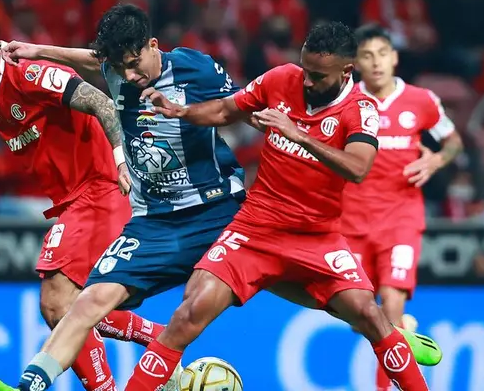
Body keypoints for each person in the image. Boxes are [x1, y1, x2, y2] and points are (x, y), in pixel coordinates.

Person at [122, 21, 433, 391]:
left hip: (317, 238)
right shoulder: (283, 78)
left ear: (346, 72)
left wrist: (297, 133)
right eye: (305, 70)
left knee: (369, 314)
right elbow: (226, 110)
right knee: (188, 313)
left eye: (317, 76)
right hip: (255, 229)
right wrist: (180, 111)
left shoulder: (359, 110)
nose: (307, 82)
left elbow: (358, 167)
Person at [0, 4, 246, 391]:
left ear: (154, 46)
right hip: (155, 220)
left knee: (219, 299)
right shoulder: (117, 71)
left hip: (216, 209)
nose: (130, 76)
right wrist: (40, 50)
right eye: (121, 67)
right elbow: (96, 62)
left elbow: (247, 107)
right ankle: (28, 387)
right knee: (84, 303)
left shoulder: (194, 68)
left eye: (136, 63)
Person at [0, 5, 168, 391]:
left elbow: (102, 103)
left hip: (99, 189)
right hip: (73, 202)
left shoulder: (30, 75)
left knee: (57, 302)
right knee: (70, 306)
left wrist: (121, 161)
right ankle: (158, 336)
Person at [342, 24, 462, 390]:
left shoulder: (422, 100)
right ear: (356, 63)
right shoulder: (344, 100)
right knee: (356, 312)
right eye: (366, 55)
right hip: (350, 221)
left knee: (391, 303)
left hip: (401, 219)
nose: (376, 62)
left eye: (382, 53)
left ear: (394, 57)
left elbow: (453, 141)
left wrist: (437, 161)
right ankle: (401, 331)